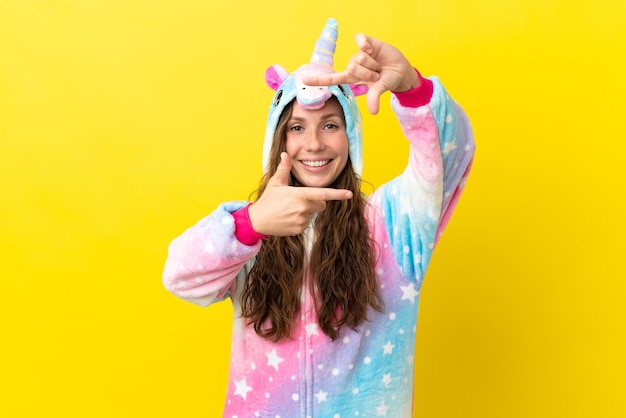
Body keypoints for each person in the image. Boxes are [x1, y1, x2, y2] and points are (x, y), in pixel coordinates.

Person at [163, 17, 475, 418]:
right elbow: (180, 277)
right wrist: (252, 224)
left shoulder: (393, 223)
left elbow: (451, 158)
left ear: (351, 136)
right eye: (297, 127)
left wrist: (413, 88)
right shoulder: (250, 232)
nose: (313, 144)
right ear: (280, 139)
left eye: (330, 125)